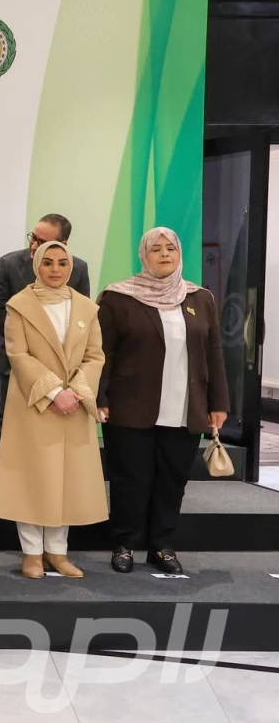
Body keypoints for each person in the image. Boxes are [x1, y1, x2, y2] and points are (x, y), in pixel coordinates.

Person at [98, 227, 229, 575]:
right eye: (156, 249)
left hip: (185, 407)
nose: (165, 254)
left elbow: (214, 352)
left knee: (172, 481)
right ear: (144, 256)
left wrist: (218, 402)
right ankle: (124, 543)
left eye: (170, 248)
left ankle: (162, 545)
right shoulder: (117, 298)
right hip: (130, 406)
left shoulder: (200, 298)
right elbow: (103, 353)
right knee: (131, 480)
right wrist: (100, 397)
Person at [0, 241, 107, 579]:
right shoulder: (19, 305)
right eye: (48, 263)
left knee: (66, 480)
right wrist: (55, 392)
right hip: (35, 404)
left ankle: (58, 552)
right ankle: (31, 553)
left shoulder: (86, 307)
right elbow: (17, 354)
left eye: (62, 263)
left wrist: (76, 392)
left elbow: (95, 355)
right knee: (32, 478)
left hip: (74, 405)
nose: (56, 269)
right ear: (37, 265)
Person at [0, 213, 93, 429]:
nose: (34, 245)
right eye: (33, 237)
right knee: (11, 424)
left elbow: (81, 318)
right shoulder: (9, 264)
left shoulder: (78, 268)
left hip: (63, 366)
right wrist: (32, 345)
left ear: (63, 244)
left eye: (42, 241)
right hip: (15, 362)